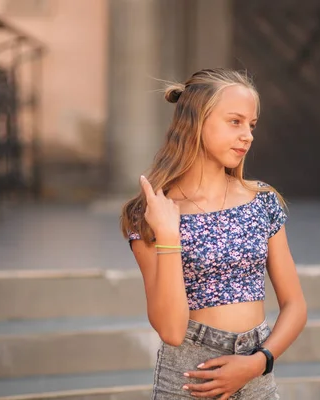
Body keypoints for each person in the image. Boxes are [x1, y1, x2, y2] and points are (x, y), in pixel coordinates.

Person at [120, 68, 307, 399]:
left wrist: (257, 363)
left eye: (251, 125)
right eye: (235, 121)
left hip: (258, 377)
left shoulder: (262, 200)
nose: (247, 135)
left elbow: (295, 306)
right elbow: (172, 330)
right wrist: (167, 236)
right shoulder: (151, 214)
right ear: (196, 122)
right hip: (191, 381)